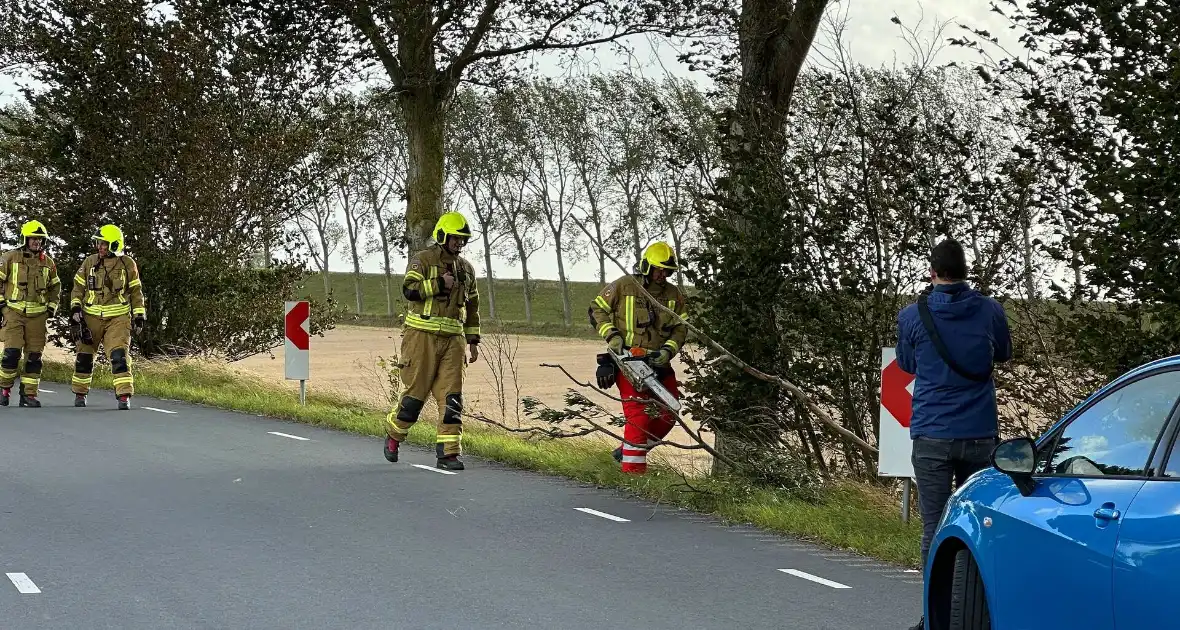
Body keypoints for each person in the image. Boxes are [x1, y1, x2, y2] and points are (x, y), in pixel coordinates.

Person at [896, 238, 1012, 630]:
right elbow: (1005, 353)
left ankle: (933, 618)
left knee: (934, 525)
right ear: (966, 271)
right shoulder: (990, 310)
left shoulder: (913, 315)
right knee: (978, 525)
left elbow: (908, 365)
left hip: (931, 433)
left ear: (932, 272)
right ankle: (977, 615)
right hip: (979, 431)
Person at [383, 211, 481, 471]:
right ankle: (394, 435)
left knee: (452, 399)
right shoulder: (423, 260)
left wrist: (473, 340)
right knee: (415, 397)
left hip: (453, 341)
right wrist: (438, 283)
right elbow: (409, 291)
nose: (459, 244)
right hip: (421, 338)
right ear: (442, 236)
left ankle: (448, 454)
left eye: (463, 240)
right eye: (455, 238)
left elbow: (473, 307)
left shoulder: (467, 269)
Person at [588, 241, 689, 475]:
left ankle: (626, 452)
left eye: (667, 270)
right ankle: (633, 474)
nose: (662, 275)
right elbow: (597, 309)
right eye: (658, 269)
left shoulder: (675, 296)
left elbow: (681, 328)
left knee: (669, 413)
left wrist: (667, 351)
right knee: (639, 416)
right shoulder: (624, 286)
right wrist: (612, 336)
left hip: (658, 363)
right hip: (628, 362)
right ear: (646, 266)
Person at [69, 224, 147, 410]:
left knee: (119, 356)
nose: (100, 247)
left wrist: (138, 314)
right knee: (84, 357)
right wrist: (75, 309)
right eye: (99, 243)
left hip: (118, 318)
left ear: (114, 245)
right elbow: (77, 288)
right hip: (91, 317)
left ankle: (123, 396)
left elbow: (136, 291)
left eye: (104, 244)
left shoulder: (128, 264)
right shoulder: (89, 262)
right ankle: (80, 393)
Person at [0, 220, 61, 407]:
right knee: (11, 353)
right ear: (25, 239)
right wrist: (1, 306)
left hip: (38, 316)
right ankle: (4, 390)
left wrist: (51, 308)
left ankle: (29, 395)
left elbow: (55, 287)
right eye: (33, 238)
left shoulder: (48, 263)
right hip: (14, 312)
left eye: (40, 239)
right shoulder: (9, 257)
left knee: (34, 356)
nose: (37, 242)